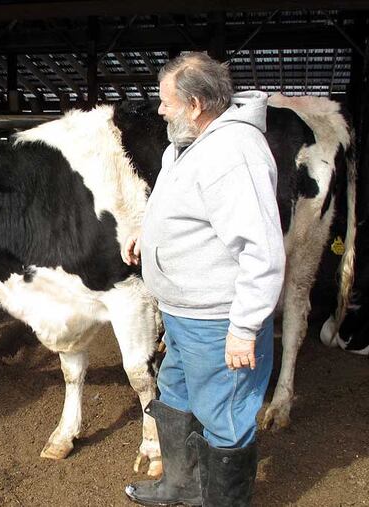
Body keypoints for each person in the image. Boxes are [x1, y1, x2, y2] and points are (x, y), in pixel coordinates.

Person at [122, 53, 285, 506]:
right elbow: (187, 208)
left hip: (217, 321)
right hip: (182, 313)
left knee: (225, 416)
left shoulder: (234, 154)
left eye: (166, 101)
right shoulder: (188, 144)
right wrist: (146, 233)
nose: (159, 110)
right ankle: (182, 486)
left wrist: (245, 328)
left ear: (195, 104)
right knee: (176, 391)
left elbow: (261, 250)